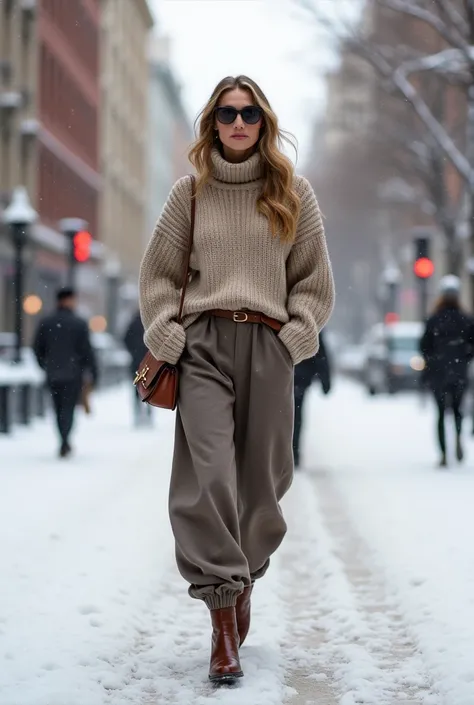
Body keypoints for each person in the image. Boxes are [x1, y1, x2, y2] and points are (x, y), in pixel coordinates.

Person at [139, 75, 335, 684]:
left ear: (264, 121)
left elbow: (313, 281)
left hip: (269, 346)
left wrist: (295, 337)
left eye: (249, 113)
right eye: (227, 114)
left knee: (263, 480)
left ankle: (243, 572)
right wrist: (169, 336)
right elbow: (159, 276)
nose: (239, 124)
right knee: (208, 474)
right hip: (202, 348)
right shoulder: (188, 194)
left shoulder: (292, 192)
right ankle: (223, 614)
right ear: (212, 124)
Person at [33, 287, 97, 458]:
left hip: (53, 374)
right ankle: (65, 439)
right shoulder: (79, 323)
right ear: (68, 300)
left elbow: (37, 349)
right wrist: (91, 372)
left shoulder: (46, 322)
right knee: (68, 408)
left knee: (57, 408)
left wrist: (45, 366)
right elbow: (87, 352)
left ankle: (63, 439)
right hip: (73, 374)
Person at [420, 275, 474, 467]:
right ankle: (458, 436)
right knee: (458, 410)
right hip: (459, 373)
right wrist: (463, 359)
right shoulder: (466, 320)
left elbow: (424, 346)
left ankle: (443, 454)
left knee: (441, 414)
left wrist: (433, 362)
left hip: (439, 373)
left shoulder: (434, 320)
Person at [293, 330, 332, 468]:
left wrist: (326, 381)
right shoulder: (311, 325)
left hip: (292, 378)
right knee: (295, 417)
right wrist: (325, 381)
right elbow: (321, 355)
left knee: (287, 417)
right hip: (300, 379)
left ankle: (289, 453)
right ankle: (293, 453)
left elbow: (321, 353)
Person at [123, 310, 152, 426]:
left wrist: (133, 352)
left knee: (137, 387)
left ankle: (138, 412)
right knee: (150, 386)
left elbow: (125, 339)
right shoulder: (149, 323)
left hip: (136, 362)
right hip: (149, 361)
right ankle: (149, 411)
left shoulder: (132, 324)